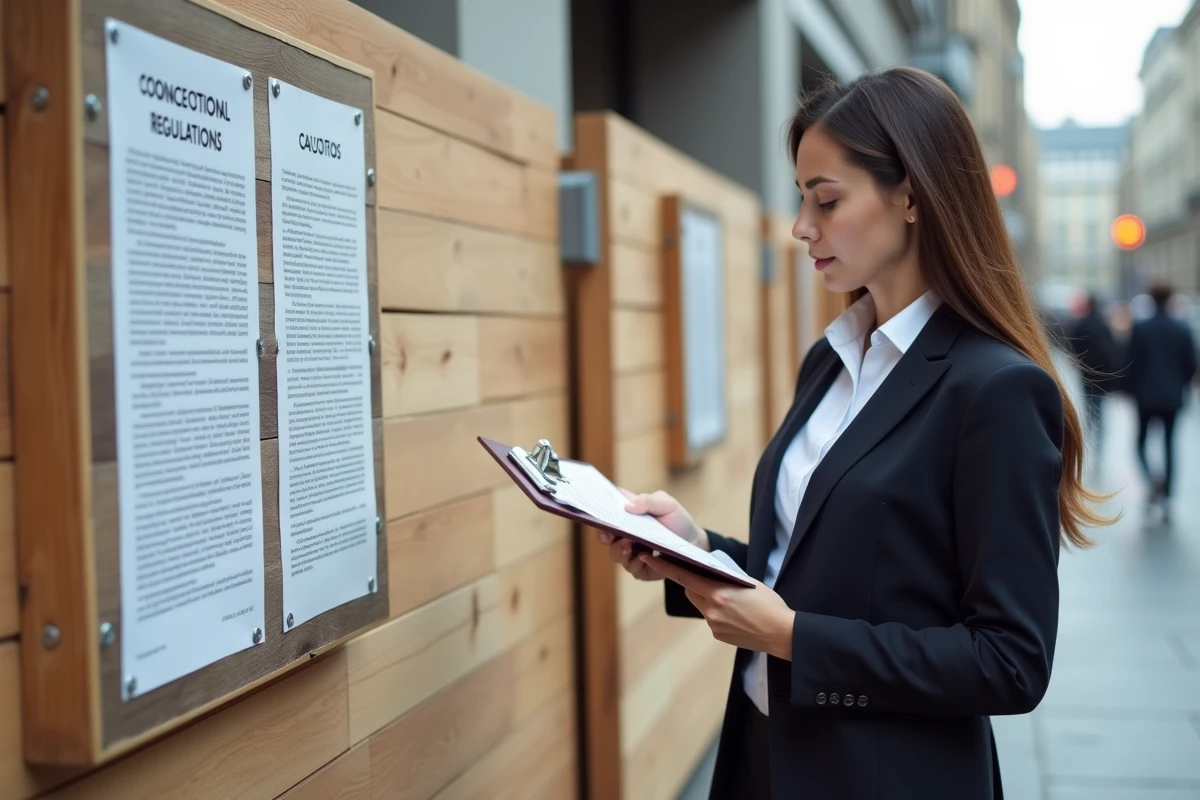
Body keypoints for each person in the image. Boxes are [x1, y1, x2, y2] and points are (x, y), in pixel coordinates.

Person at [594, 67, 1108, 799]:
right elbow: (814, 566)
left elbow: (1010, 661)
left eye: (826, 200)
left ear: (909, 195)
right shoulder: (830, 361)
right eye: (803, 199)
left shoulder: (994, 390)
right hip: (762, 755)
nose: (802, 226)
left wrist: (796, 640)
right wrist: (695, 551)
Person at [1124, 283, 1198, 521]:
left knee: (1140, 442)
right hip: (1172, 397)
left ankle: (1152, 481)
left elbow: (1130, 363)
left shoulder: (1141, 328)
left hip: (1145, 397)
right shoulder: (1182, 329)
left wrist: (1130, 389)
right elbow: (1191, 366)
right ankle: (1167, 497)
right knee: (1169, 445)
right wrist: (1179, 385)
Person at [1065, 292, 1119, 450]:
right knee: (1099, 407)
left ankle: (1088, 438)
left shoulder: (1082, 324)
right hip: (1103, 374)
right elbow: (1113, 349)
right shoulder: (1104, 325)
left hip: (1086, 373)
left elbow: (1073, 347)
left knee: (1088, 405)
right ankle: (1098, 443)